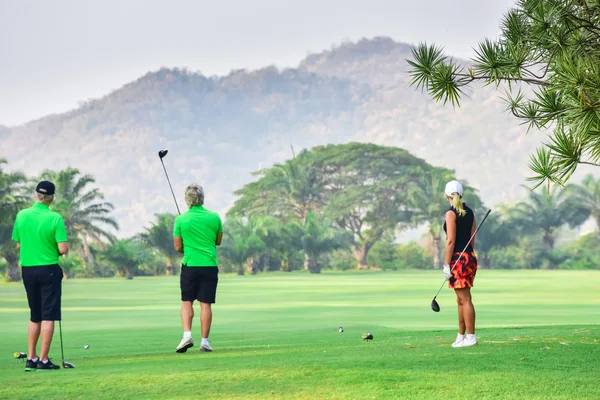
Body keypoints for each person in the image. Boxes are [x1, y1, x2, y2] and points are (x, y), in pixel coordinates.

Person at [12, 181, 69, 371]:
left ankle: (31, 358)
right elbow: (62, 248)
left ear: (36, 195)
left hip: (28, 270)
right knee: (48, 315)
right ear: (52, 198)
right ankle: (43, 360)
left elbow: (19, 244)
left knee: (34, 315)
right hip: (49, 270)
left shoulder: (21, 215)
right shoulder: (55, 218)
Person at [173, 184, 223, 353]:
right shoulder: (215, 217)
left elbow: (178, 247)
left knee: (187, 301)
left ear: (187, 200)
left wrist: (188, 248)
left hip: (190, 266)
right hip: (209, 265)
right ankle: (205, 342)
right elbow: (218, 241)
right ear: (202, 198)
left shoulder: (180, 220)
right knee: (205, 304)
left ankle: (187, 336)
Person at [442, 180, 478, 348]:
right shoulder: (470, 213)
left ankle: (470, 338)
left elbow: (450, 241)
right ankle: (460, 336)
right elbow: (472, 239)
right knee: (461, 300)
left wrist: (446, 265)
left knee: (465, 299)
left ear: (446, 196)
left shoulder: (451, 214)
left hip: (458, 259)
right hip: (469, 257)